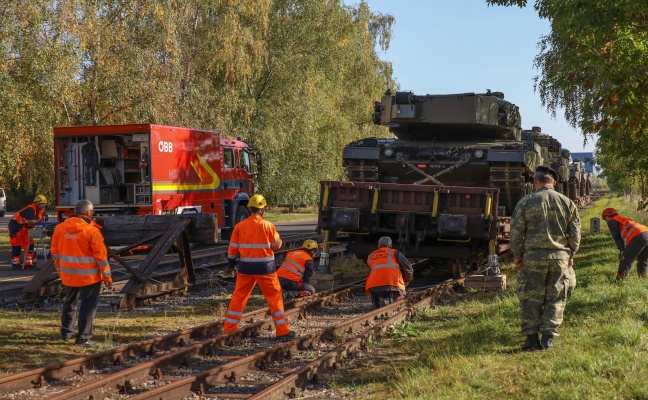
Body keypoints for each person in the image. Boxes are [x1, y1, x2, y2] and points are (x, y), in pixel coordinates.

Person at [510, 166, 581, 351]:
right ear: (554, 183)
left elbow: (516, 233)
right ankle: (548, 339)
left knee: (530, 298)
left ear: (535, 181)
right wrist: (571, 255)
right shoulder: (567, 202)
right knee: (556, 297)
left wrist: (517, 256)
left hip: (533, 258)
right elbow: (575, 234)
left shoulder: (526, 201)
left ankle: (531, 340)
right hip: (559, 258)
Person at [224, 194, 295, 340]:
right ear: (262, 210)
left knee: (239, 297)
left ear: (249, 208)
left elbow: (232, 250)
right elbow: (276, 246)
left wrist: (231, 266)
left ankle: (230, 330)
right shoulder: (268, 226)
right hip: (265, 269)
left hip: (245, 268)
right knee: (275, 298)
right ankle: (282, 332)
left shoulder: (239, 226)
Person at [51, 200, 112, 346]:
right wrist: (107, 276)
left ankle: (66, 333)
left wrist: (60, 271)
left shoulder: (60, 228)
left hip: (69, 275)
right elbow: (101, 257)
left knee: (69, 303)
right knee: (87, 306)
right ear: (89, 213)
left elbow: (55, 252)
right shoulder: (92, 231)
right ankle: (83, 338)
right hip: (89, 277)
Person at [365, 236, 413, 309]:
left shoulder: (371, 256)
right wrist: (407, 280)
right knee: (402, 293)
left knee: (375, 294)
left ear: (378, 246)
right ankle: (396, 301)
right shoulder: (395, 253)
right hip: (392, 286)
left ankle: (376, 306)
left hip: (373, 287)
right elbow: (408, 267)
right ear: (391, 246)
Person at [601, 207, 648, 280]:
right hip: (646, 232)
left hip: (638, 236)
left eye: (605, 219)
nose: (606, 221)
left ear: (606, 217)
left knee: (625, 258)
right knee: (643, 257)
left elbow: (616, 236)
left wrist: (622, 249)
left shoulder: (612, 221)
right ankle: (643, 275)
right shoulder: (622, 218)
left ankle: (620, 278)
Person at [8, 195, 48, 268]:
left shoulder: (42, 209)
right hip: (16, 226)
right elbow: (30, 222)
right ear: (37, 203)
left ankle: (28, 263)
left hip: (26, 227)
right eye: (42, 203)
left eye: (45, 203)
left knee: (29, 244)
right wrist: (40, 220)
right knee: (16, 244)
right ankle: (15, 263)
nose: (44, 205)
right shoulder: (30, 209)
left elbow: (44, 218)